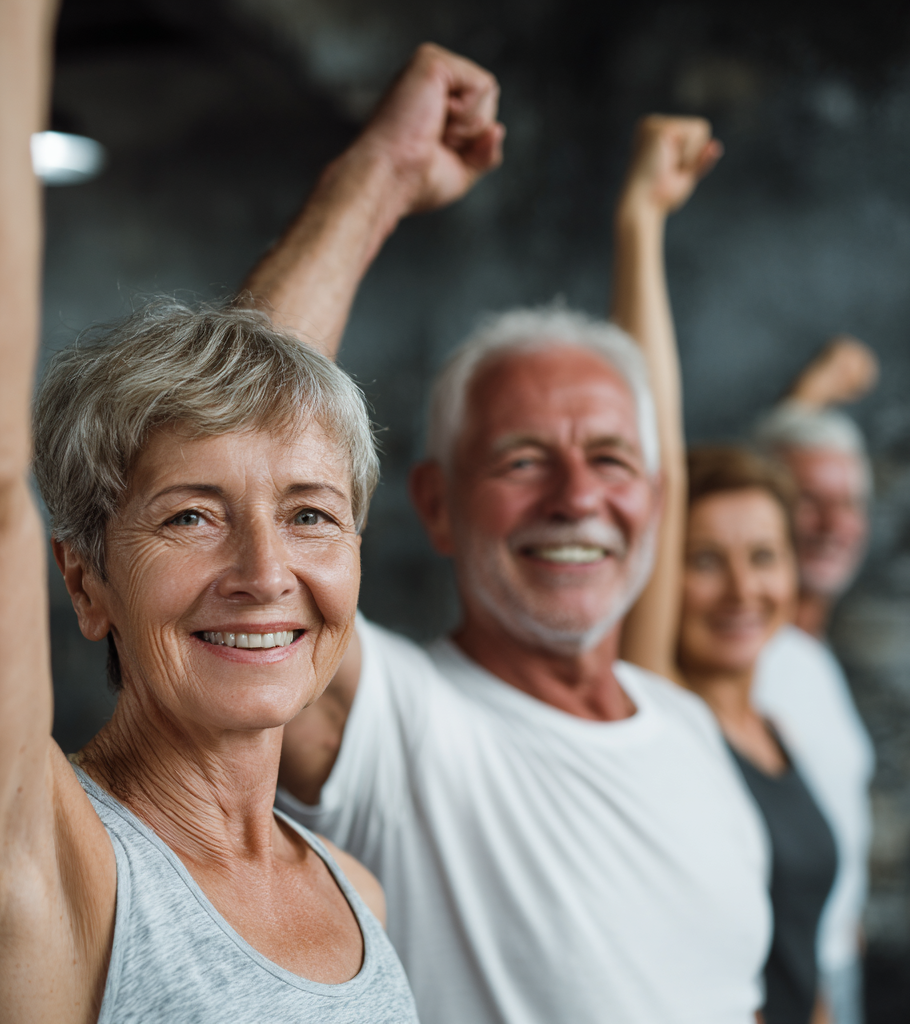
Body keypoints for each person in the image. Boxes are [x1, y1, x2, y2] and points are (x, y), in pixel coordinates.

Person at [0, 2, 420, 1022]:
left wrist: (377, 182)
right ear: (84, 578)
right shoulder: (43, 868)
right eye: (188, 520)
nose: (265, 571)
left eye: (311, 516)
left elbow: (252, 437)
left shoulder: (358, 892)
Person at [243, 48, 772, 1024]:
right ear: (437, 504)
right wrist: (379, 180)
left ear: (653, 500)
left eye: (611, 459)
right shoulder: (399, 728)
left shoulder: (685, 727)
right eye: (523, 459)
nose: (577, 496)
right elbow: (230, 455)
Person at [614, 118, 855, 1024]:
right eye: (705, 562)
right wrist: (641, 221)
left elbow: (803, 953)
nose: (743, 588)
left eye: (764, 559)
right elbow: (656, 456)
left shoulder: (779, 723)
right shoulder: (662, 714)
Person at [751, 345, 877, 1024]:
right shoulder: (742, 653)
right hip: (790, 978)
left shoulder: (810, 656)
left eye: (851, 503)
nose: (836, 524)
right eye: (811, 504)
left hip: (836, 960)